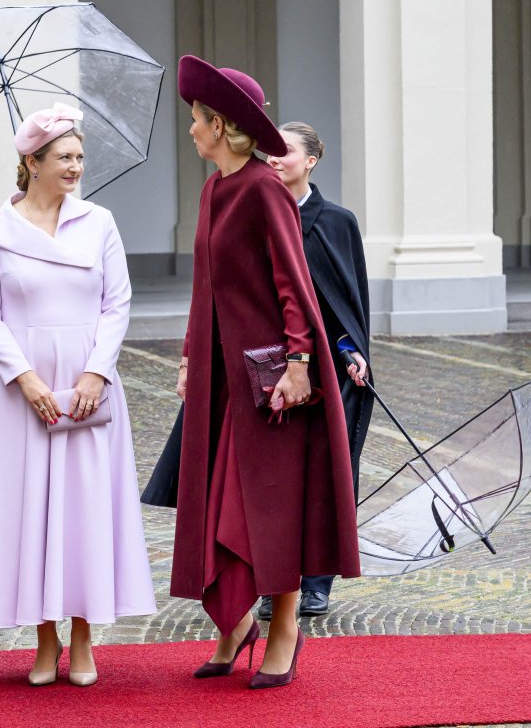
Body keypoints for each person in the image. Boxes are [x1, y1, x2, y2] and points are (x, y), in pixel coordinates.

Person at [169, 56, 360, 689]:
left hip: (271, 379)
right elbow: (207, 284)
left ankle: (283, 629)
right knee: (224, 503)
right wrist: (193, 358)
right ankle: (236, 625)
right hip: (222, 379)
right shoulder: (213, 188)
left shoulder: (261, 188)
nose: (190, 129)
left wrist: (302, 362)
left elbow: (293, 284)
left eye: (196, 120)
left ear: (220, 125)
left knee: (273, 509)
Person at [0, 103, 156, 688]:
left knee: (84, 508)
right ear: (32, 162)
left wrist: (97, 373)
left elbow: (117, 304)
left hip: (89, 384)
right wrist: (26, 379)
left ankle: (84, 635)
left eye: (79, 157)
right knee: (31, 510)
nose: (76, 166)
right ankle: (44, 638)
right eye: (64, 157)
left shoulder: (100, 222)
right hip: (23, 389)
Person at [260, 121, 374, 620]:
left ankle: (317, 581)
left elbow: (348, 300)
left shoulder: (337, 222)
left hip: (328, 368)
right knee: (274, 477)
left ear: (311, 161)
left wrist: (352, 349)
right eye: (270, 151)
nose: (274, 158)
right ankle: (273, 580)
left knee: (326, 475)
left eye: (285, 151)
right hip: (268, 366)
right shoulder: (257, 214)